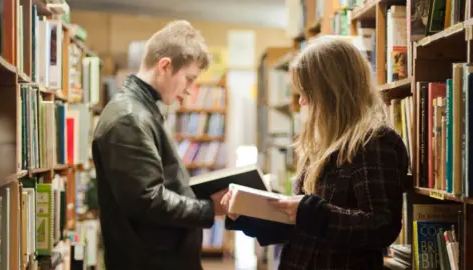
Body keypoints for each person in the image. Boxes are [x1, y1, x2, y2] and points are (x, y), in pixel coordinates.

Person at [221, 36, 410, 270]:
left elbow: (382, 226)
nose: (301, 101)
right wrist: (248, 212)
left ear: (333, 91)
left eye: (307, 92)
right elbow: (302, 227)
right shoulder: (321, 140)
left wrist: (310, 212)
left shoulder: (375, 141)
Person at [91, 20, 227, 270]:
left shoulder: (142, 110)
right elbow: (147, 199)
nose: (190, 90)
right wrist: (210, 209)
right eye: (188, 79)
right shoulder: (129, 118)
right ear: (165, 66)